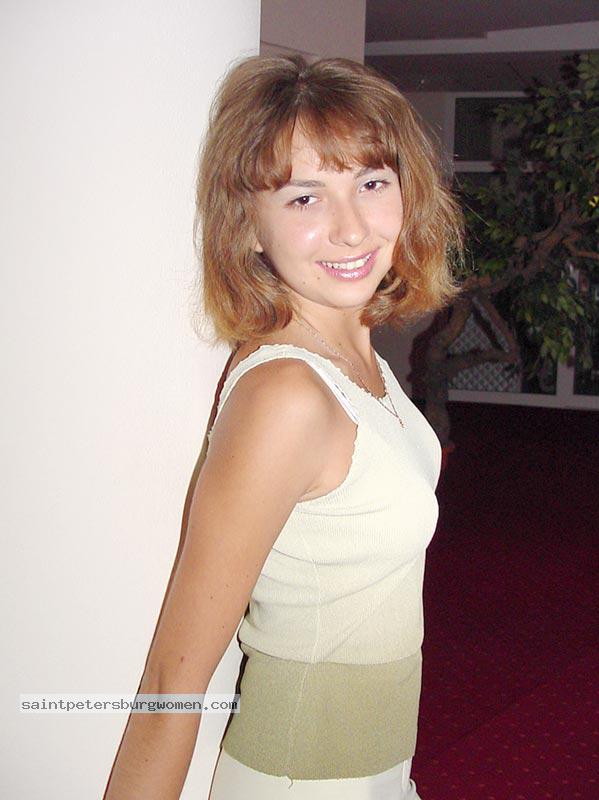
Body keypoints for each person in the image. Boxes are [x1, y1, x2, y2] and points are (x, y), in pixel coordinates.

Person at [103, 54, 463, 800]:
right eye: (305, 197)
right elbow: (173, 678)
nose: (351, 228)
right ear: (248, 225)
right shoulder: (287, 396)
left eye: (372, 183)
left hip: (373, 771)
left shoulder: (358, 362)